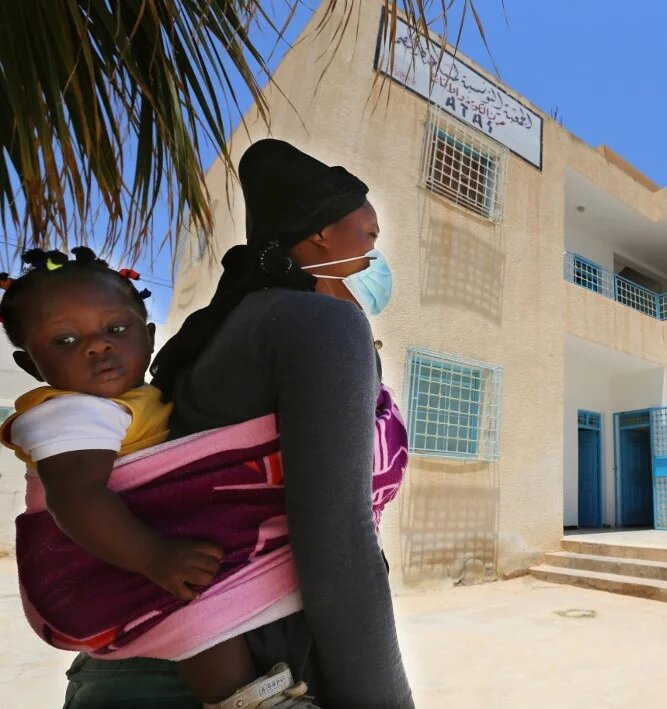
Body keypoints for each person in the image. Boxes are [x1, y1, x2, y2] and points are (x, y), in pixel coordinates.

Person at [62, 139, 414, 708]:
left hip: (141, 665)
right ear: (321, 234)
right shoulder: (319, 325)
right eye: (369, 235)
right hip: (234, 677)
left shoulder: (242, 326)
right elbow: (339, 552)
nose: (376, 253)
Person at [0, 247, 319, 707]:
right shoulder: (70, 412)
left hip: (136, 556)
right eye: (65, 340)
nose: (97, 346)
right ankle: (245, 702)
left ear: (149, 337)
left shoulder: (137, 399)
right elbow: (75, 497)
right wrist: (153, 556)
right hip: (106, 564)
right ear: (31, 364)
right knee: (197, 615)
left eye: (116, 329)